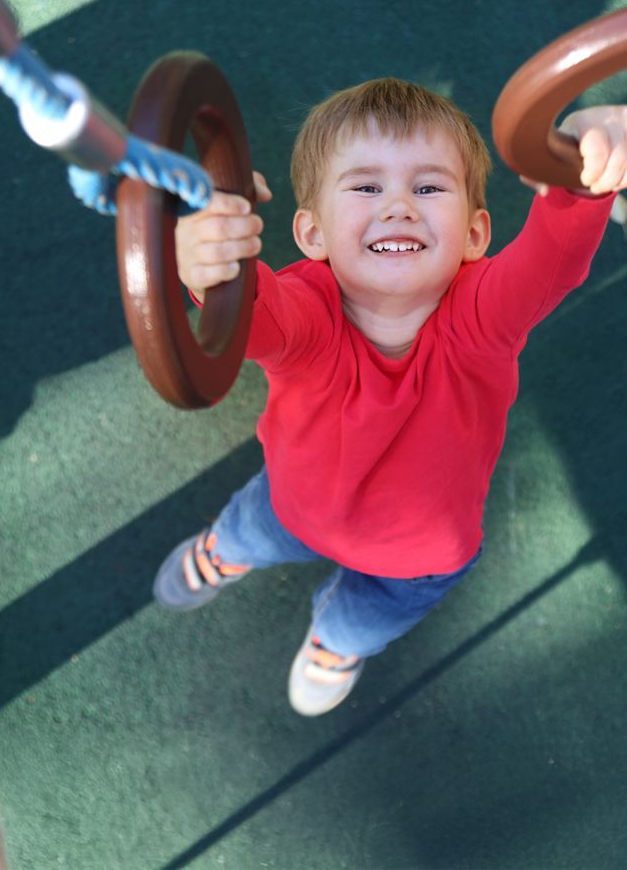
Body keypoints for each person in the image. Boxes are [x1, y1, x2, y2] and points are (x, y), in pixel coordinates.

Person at [153, 78, 626, 716]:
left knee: (363, 621)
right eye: (366, 186)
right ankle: (223, 554)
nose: (399, 205)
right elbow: (248, 314)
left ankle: (333, 643)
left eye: (429, 187)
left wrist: (584, 171)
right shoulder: (308, 314)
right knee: (248, 529)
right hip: (292, 500)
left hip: (419, 555)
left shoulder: (483, 318)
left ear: (475, 235)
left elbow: (554, 259)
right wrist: (207, 265)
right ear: (313, 235)